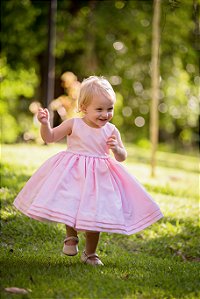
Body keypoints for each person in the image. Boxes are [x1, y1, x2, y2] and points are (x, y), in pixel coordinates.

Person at [14, 76, 163, 266]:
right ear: (84, 108)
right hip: (73, 174)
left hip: (99, 179)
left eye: (109, 109)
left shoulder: (111, 130)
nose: (105, 114)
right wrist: (45, 124)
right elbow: (50, 138)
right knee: (70, 203)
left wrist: (116, 148)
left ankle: (90, 253)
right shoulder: (73, 124)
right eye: (99, 109)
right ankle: (71, 237)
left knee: (95, 215)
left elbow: (122, 156)